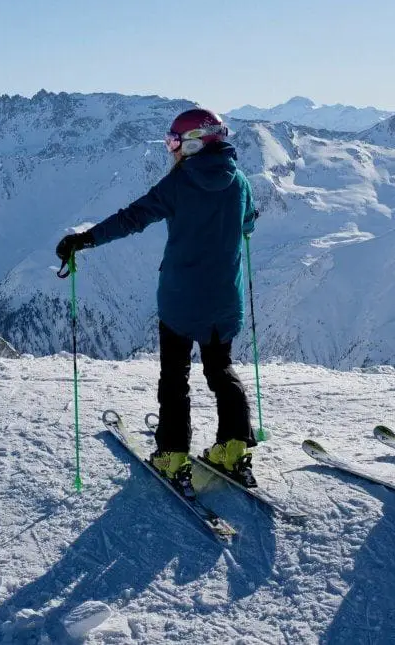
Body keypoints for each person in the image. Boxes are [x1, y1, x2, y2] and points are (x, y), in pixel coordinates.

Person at [56, 108, 258, 493]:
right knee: (221, 371)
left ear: (196, 142)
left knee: (175, 378)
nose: (172, 150)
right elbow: (249, 223)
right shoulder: (240, 182)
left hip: (181, 301)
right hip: (224, 301)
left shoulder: (179, 184)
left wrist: (83, 239)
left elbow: (133, 217)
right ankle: (233, 447)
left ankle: (173, 454)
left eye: (175, 142)